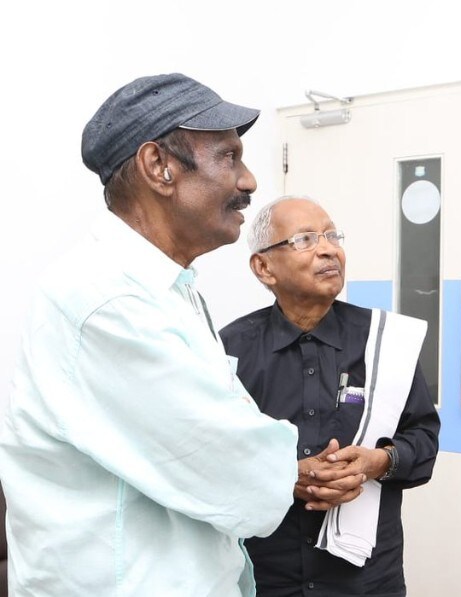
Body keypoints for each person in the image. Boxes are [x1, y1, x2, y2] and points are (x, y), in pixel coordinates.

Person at [0, 73, 299, 595]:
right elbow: (252, 482)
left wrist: (261, 448)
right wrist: (275, 459)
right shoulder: (107, 302)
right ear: (159, 166)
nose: (249, 181)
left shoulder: (168, 289)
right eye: (229, 157)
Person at [220, 196, 440, 597]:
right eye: (305, 239)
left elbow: (424, 439)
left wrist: (379, 462)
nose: (328, 249)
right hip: (266, 578)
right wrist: (284, 476)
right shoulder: (230, 349)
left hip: (366, 580)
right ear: (264, 267)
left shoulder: (385, 344)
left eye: (332, 236)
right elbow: (212, 455)